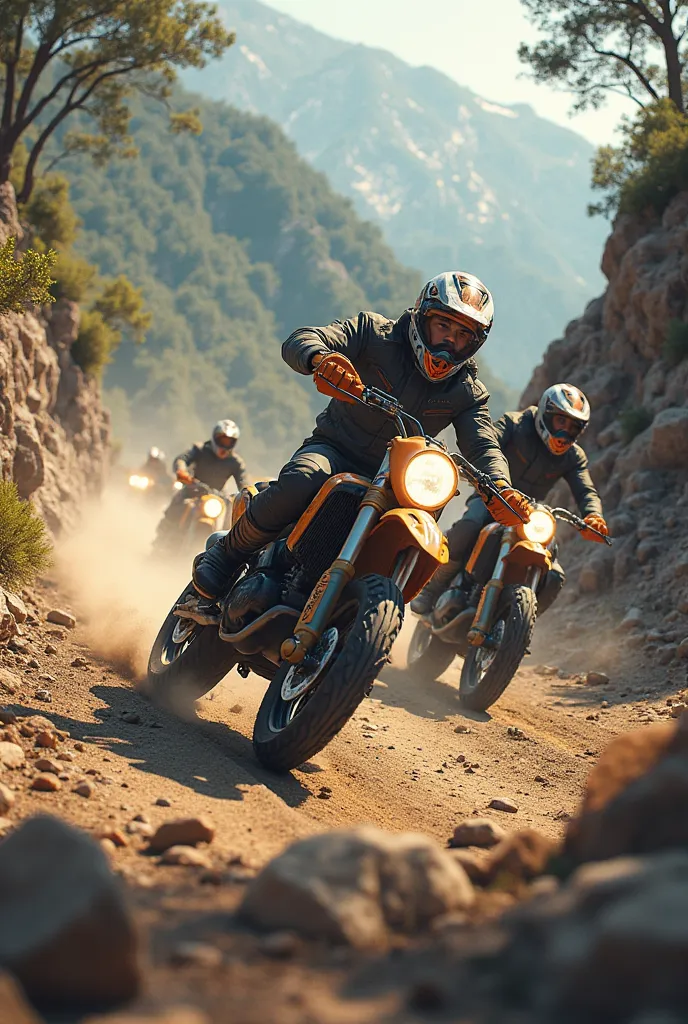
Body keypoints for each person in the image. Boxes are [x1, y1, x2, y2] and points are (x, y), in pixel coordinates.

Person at [190, 271, 533, 609]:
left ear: (474, 343)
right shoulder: (373, 333)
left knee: (421, 529)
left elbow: (483, 444)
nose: (449, 342)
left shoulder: (468, 392)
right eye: (443, 326)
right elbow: (302, 338)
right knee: (302, 480)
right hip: (336, 449)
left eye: (462, 335)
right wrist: (320, 359)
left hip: (400, 482)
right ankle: (227, 554)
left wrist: (501, 485)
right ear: (422, 316)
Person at [411, 383, 609, 616]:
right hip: (493, 496)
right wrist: (482, 475)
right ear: (546, 414)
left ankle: (520, 620)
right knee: (470, 526)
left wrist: (593, 515)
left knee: (554, 571)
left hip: (529, 513)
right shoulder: (515, 424)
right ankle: (431, 587)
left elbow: (586, 490)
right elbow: (487, 444)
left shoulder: (574, 457)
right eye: (561, 422)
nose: (565, 432)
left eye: (573, 427)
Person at [157, 420, 247, 540]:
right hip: (193, 489)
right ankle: (163, 534)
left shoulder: (236, 462)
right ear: (215, 438)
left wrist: (247, 494)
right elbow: (182, 459)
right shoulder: (200, 449)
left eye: (229, 441)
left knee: (230, 518)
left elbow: (244, 482)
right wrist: (182, 471)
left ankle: (224, 545)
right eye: (222, 440)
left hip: (218, 497)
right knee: (179, 502)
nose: (225, 444)